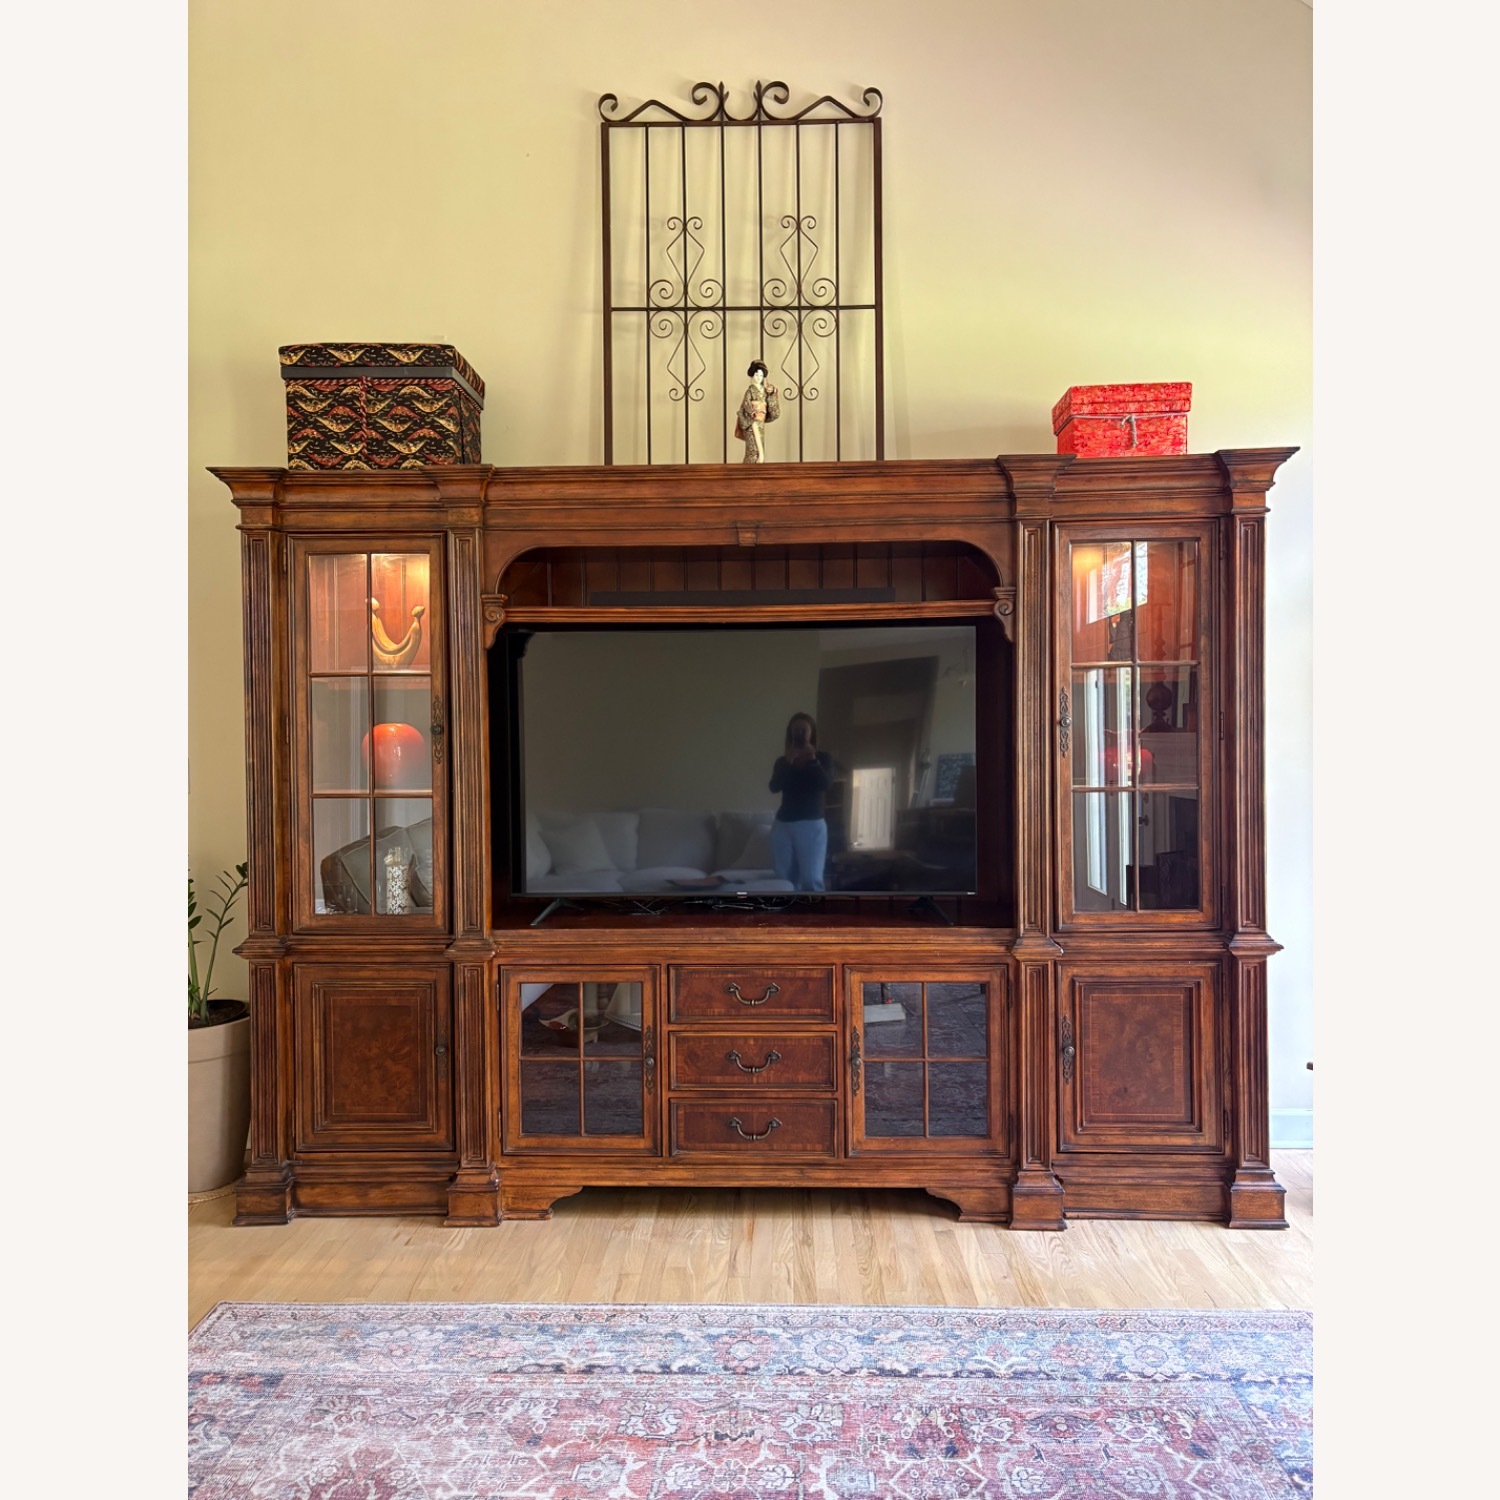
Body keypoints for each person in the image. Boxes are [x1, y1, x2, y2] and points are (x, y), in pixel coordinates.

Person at [768, 712, 832, 891]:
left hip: (811, 825)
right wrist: (788, 762)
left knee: (811, 880)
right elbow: (774, 787)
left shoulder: (823, 759)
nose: (800, 733)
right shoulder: (782, 761)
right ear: (790, 733)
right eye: (795, 730)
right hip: (783, 825)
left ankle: (812, 918)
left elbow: (825, 785)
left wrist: (812, 761)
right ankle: (786, 917)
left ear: (811, 733)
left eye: (803, 730)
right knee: (783, 880)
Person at [734, 359, 780, 463]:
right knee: (753, 447)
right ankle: (750, 465)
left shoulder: (765, 390)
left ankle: (759, 464)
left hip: (760, 422)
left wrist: (772, 392)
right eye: (756, 375)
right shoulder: (750, 391)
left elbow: (771, 406)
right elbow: (746, 403)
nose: (758, 378)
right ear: (751, 375)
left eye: (761, 376)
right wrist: (752, 413)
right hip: (751, 421)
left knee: (760, 447)